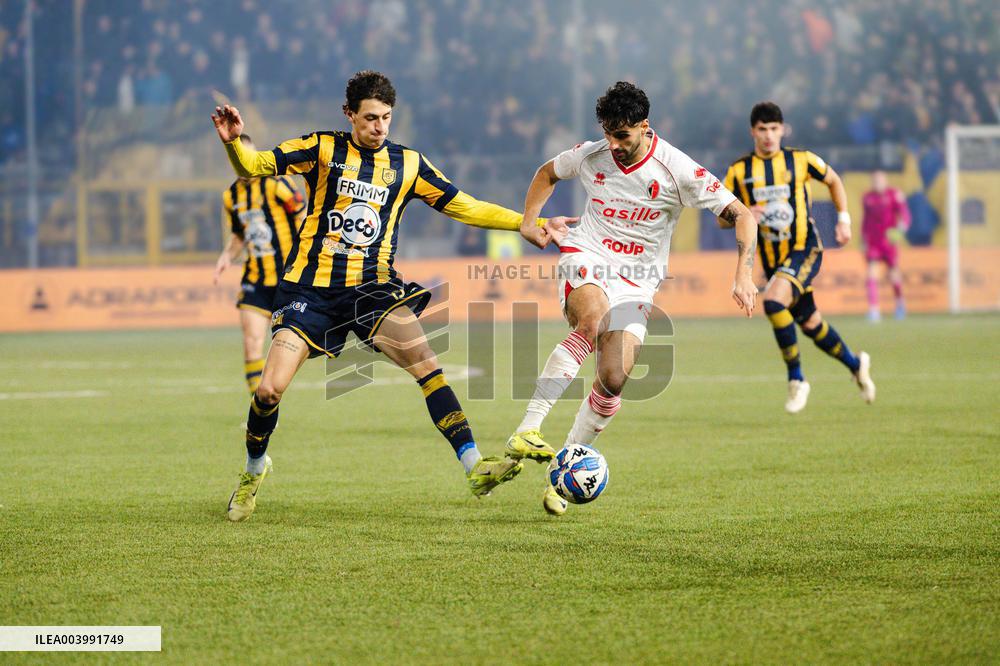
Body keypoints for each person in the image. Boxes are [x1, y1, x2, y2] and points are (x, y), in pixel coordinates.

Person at [211, 70, 574, 521]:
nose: (379, 126)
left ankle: (474, 465)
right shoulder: (322, 148)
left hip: (373, 289)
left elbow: (465, 205)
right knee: (268, 391)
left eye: (385, 117)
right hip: (310, 289)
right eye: (369, 118)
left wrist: (528, 223)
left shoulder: (409, 164)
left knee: (425, 362)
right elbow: (255, 165)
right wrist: (233, 142)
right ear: (349, 115)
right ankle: (252, 471)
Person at [504, 82, 759, 516]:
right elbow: (547, 171)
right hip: (588, 251)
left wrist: (744, 273)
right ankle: (528, 427)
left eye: (622, 136)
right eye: (608, 134)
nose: (614, 145)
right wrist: (530, 221)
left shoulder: (677, 168)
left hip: (638, 280)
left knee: (615, 377)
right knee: (591, 322)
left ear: (645, 126)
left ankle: (565, 466)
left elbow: (742, 214)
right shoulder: (592, 155)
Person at [723, 101, 876, 414]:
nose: (768, 135)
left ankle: (797, 378)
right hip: (774, 260)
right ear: (753, 131)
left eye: (774, 128)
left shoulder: (801, 160)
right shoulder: (739, 171)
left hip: (805, 248)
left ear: (783, 130)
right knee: (810, 323)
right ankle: (856, 363)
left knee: (773, 302)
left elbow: (833, 180)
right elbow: (721, 218)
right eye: (762, 129)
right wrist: (743, 214)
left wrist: (844, 219)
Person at [213, 134, 305, 394]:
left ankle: (270, 396)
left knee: (289, 349)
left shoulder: (277, 184)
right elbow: (240, 235)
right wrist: (226, 257)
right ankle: (259, 410)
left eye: (251, 155)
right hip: (255, 278)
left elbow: (303, 217)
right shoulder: (231, 196)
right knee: (252, 343)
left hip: (288, 280)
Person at [861, 170, 910, 321]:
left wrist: (901, 229)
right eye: (875, 181)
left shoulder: (894, 195)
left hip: (889, 242)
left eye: (880, 180)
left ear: (885, 181)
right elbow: (865, 220)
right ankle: (874, 310)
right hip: (873, 242)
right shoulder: (867, 198)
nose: (877, 183)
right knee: (871, 273)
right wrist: (863, 239)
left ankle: (900, 303)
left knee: (893, 274)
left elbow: (905, 215)